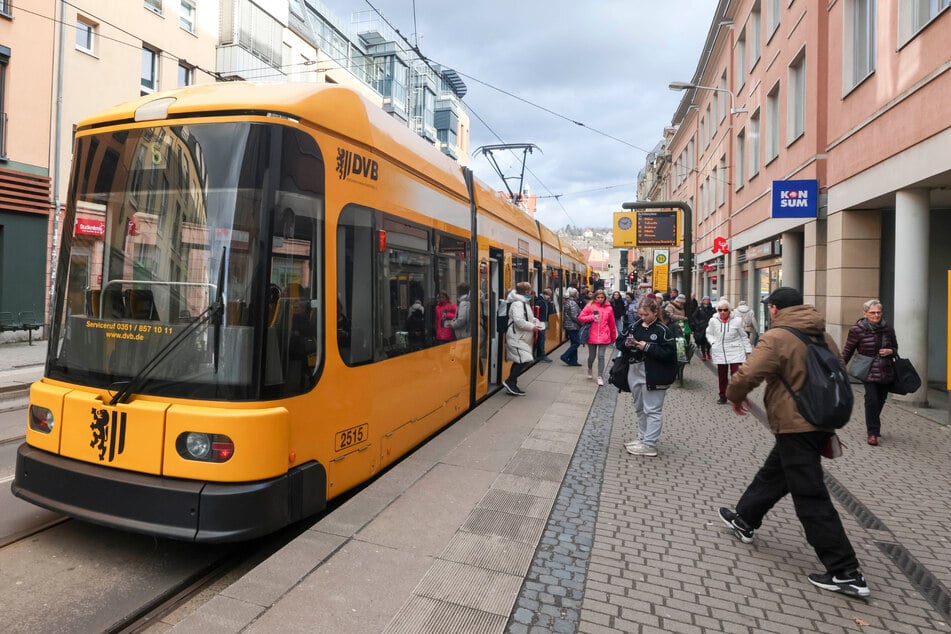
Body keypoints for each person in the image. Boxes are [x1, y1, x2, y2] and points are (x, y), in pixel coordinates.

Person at [719, 287, 870, 599]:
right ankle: (745, 517)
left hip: (796, 423)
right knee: (775, 473)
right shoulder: (822, 334)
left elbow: (748, 374)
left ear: (774, 309)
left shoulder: (777, 337)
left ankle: (845, 571)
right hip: (820, 419)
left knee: (810, 496)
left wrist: (735, 396)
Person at [615, 296, 678, 457]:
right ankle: (643, 438)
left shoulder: (663, 330)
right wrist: (627, 344)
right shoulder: (634, 326)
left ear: (655, 312)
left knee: (652, 410)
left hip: (654, 374)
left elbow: (670, 353)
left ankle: (650, 444)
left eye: (645, 315)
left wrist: (647, 347)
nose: (642, 317)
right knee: (640, 408)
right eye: (640, 314)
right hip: (635, 371)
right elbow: (619, 341)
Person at [840, 299, 897, 446]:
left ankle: (873, 423)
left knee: (880, 400)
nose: (876, 315)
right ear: (865, 314)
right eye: (872, 312)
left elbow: (895, 348)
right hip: (868, 370)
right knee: (871, 400)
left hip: (885, 369)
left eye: (878, 312)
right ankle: (872, 433)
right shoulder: (857, 329)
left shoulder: (888, 329)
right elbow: (848, 350)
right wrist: (839, 368)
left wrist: (891, 351)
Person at [706, 299, 752, 404]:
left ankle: (736, 396)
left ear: (729, 310)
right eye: (720, 310)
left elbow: (744, 336)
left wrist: (748, 351)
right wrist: (713, 342)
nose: (722, 312)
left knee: (736, 376)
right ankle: (723, 396)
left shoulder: (737, 320)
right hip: (720, 351)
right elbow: (709, 333)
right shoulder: (713, 320)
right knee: (722, 376)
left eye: (725, 310)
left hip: (736, 350)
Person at [502, 282, 543, 395]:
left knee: (519, 360)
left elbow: (525, 318)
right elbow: (519, 321)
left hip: (520, 336)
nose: (531, 293)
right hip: (517, 337)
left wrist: (534, 321)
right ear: (526, 292)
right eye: (530, 291)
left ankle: (512, 384)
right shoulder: (518, 304)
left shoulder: (523, 302)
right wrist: (532, 326)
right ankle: (510, 381)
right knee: (525, 359)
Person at [578, 289, 618, 385]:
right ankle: (590, 368)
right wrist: (591, 317)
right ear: (595, 297)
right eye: (598, 297)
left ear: (605, 298)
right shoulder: (590, 306)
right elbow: (580, 318)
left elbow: (612, 324)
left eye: (602, 297)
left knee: (601, 356)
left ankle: (600, 376)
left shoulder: (609, 308)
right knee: (592, 356)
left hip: (604, 336)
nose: (600, 299)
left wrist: (613, 337)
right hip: (592, 335)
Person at [691, 296, 716, 361]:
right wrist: (698, 323)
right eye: (705, 300)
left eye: (708, 300)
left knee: (709, 341)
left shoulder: (712, 309)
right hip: (701, 328)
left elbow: (715, 316)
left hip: (710, 327)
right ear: (702, 301)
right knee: (702, 341)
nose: (706, 301)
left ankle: (708, 352)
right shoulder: (699, 308)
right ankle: (703, 354)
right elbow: (694, 316)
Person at [533, 288, 554, 362]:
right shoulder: (539, 302)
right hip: (540, 322)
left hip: (544, 322)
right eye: (548, 295)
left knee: (542, 338)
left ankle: (539, 354)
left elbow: (550, 311)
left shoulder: (547, 302)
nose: (549, 297)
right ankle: (542, 355)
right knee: (541, 338)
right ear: (545, 294)